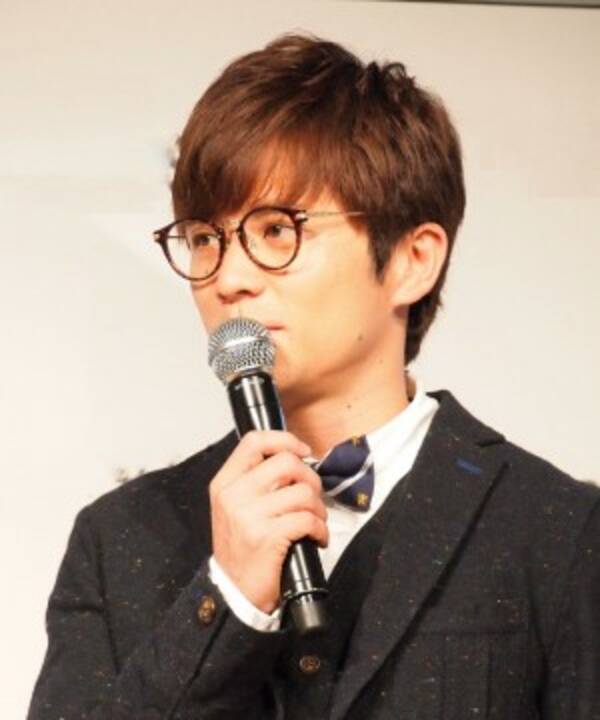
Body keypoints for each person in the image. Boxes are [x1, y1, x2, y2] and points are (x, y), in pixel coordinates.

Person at [28, 34, 599, 719]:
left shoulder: (559, 530)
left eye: (276, 231)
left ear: (413, 260)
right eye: (205, 239)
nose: (228, 279)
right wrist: (228, 599)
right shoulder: (118, 538)